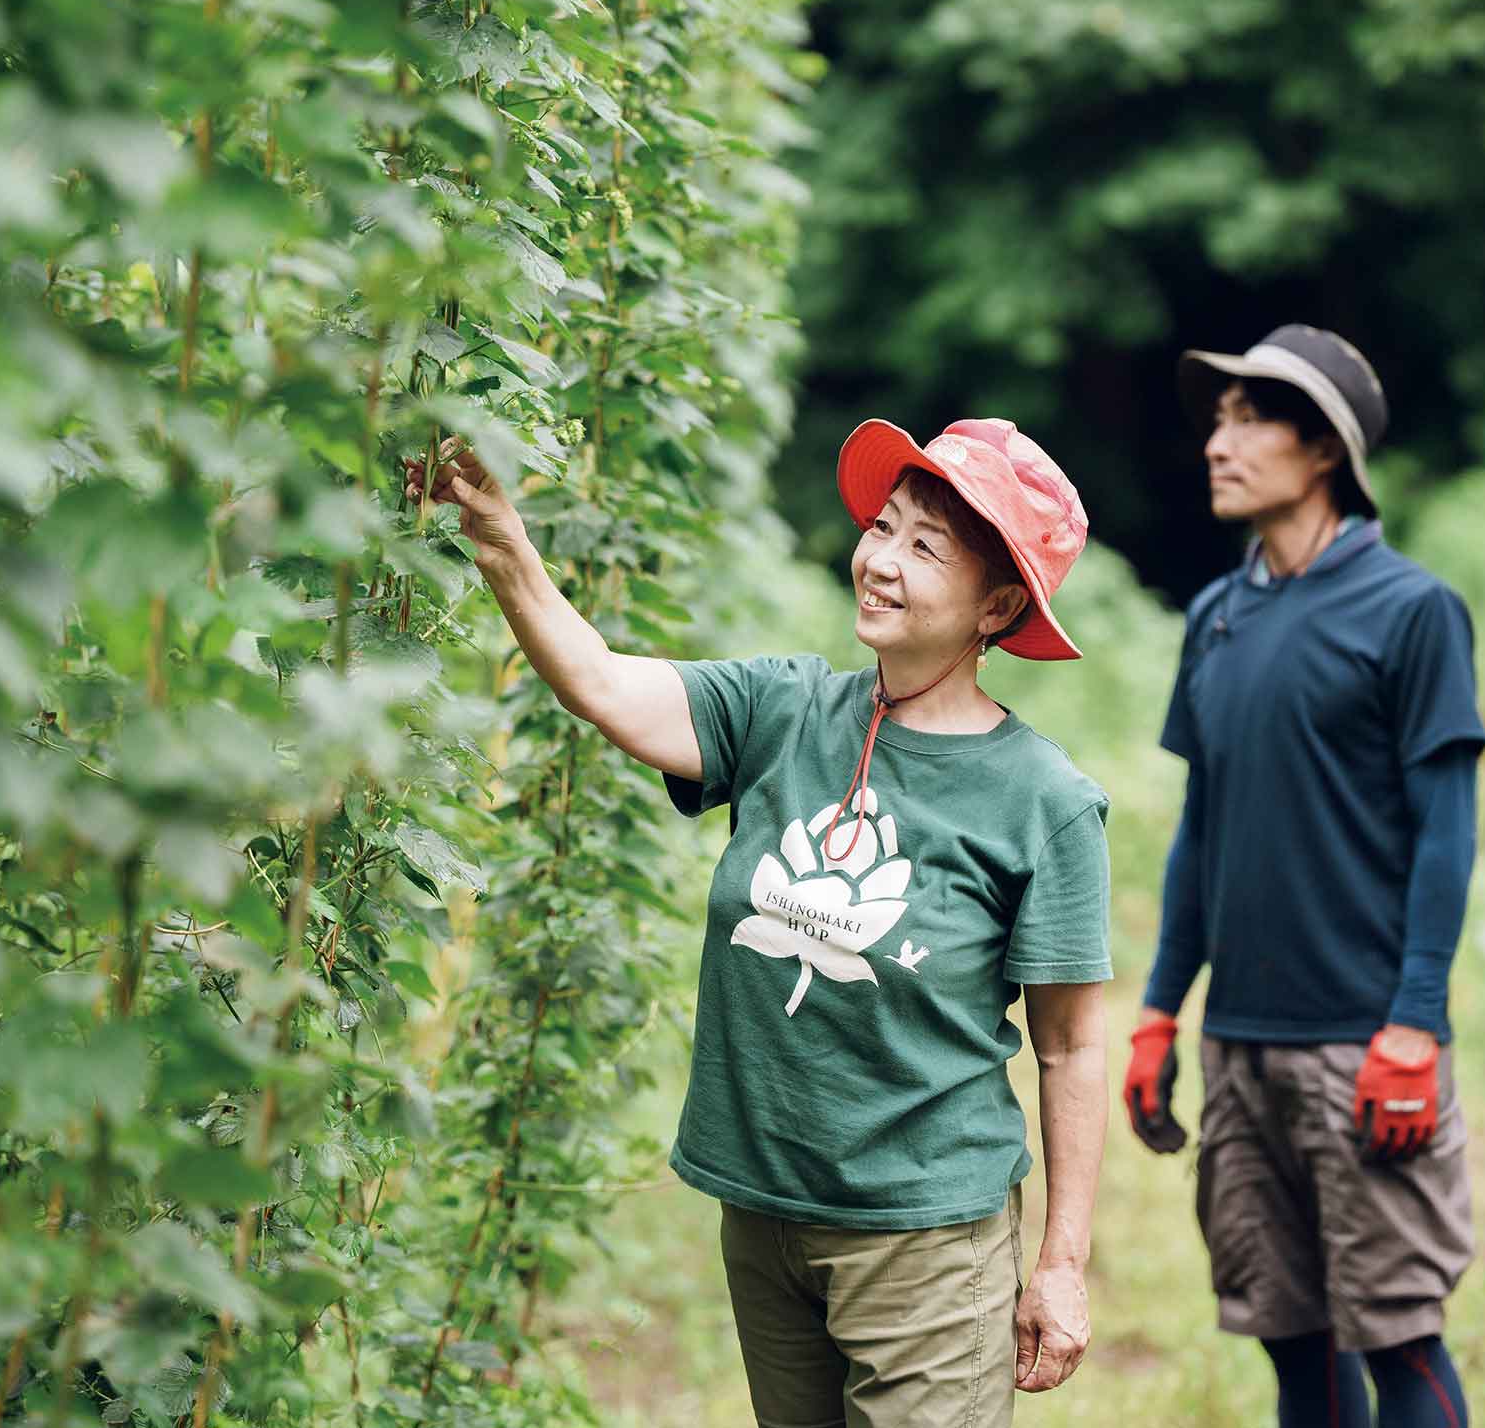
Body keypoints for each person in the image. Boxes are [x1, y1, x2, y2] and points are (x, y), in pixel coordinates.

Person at [407, 416, 1111, 1427]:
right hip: (764, 1215)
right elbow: (603, 684)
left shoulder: (1041, 801)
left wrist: (1062, 1264)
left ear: (996, 605)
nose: (880, 560)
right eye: (882, 526)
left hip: (920, 1237)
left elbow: (1072, 1046)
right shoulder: (782, 709)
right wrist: (501, 543)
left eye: (925, 547)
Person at [1121, 325, 1485, 1428]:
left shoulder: (1411, 612)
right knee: (1289, 1338)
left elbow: (1445, 830)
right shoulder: (1214, 617)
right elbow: (1202, 831)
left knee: (1399, 1335)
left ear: (1321, 448)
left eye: (1248, 419)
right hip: (1239, 1045)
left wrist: (1414, 1023)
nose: (1216, 445)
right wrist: (1155, 1013)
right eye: (1215, 421)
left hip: (1359, 1044)